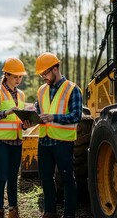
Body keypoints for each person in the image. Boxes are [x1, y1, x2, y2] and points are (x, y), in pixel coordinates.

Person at [34, 52, 82, 218]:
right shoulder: (41, 90)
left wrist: (54, 117)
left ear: (55, 69)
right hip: (44, 142)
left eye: (44, 74)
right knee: (46, 178)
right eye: (41, 75)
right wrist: (29, 120)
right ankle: (50, 212)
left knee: (67, 179)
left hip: (62, 142)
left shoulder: (72, 89)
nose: (43, 78)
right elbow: (37, 111)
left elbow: (76, 116)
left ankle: (68, 214)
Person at [0, 57, 32, 218]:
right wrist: (6, 112)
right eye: (15, 76)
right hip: (0, 142)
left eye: (20, 76)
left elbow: (18, 120)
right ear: (7, 75)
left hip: (17, 141)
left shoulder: (22, 95)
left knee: (13, 178)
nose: (18, 79)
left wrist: (25, 124)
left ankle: (13, 210)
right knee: (2, 177)